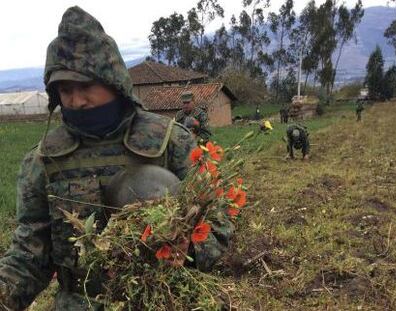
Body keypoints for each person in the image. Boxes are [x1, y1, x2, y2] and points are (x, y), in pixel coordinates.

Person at [0, 7, 233, 310]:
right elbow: (30, 254)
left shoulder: (170, 141)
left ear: (112, 81)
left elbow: (218, 222)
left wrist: (188, 246)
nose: (76, 100)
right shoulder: (44, 161)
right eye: (65, 89)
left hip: (163, 300)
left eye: (85, 86)